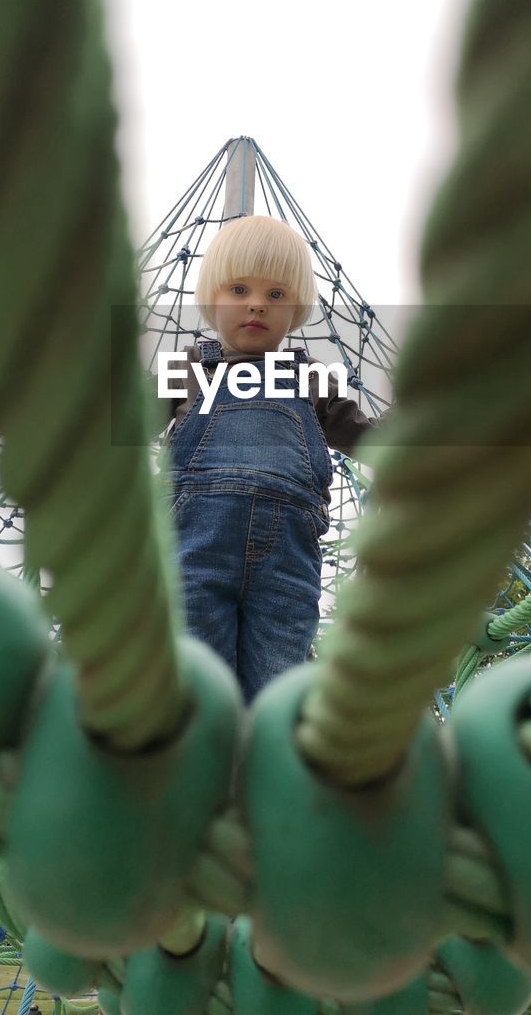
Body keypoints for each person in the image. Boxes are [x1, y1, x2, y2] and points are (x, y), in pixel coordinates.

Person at [159, 215, 379, 702]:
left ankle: (265, 771)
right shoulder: (187, 367)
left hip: (287, 558)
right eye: (239, 289)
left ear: (294, 310)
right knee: (195, 679)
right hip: (195, 545)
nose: (257, 303)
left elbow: (366, 437)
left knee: (279, 685)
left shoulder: (310, 377)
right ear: (212, 298)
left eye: (276, 295)